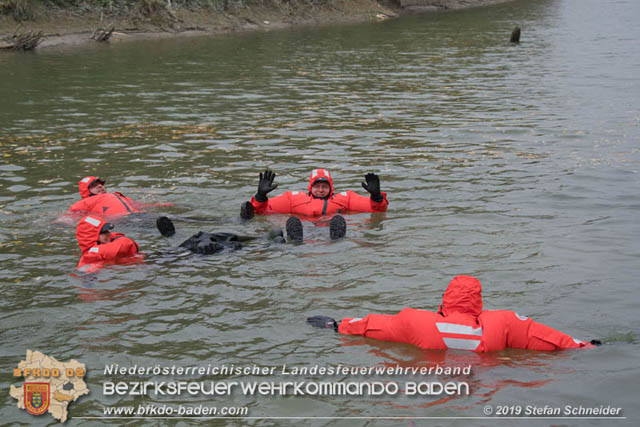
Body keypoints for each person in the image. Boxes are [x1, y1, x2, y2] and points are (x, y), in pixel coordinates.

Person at [308, 275, 600, 352]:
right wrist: (586, 345)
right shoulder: (503, 323)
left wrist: (336, 325)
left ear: (444, 301)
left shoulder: (416, 321)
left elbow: (373, 325)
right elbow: (548, 338)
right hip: (484, 381)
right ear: (479, 303)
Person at [241, 169, 389, 241]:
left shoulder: (345, 199)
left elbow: (376, 209)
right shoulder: (293, 199)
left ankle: (337, 238)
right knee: (293, 223)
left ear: (331, 187)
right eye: (317, 186)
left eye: (324, 186)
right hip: (305, 228)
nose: (320, 190)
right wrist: (261, 195)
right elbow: (264, 211)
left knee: (338, 222)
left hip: (329, 228)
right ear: (310, 187)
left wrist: (375, 196)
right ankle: (296, 240)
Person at [68, 176, 172, 218]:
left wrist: (164, 205)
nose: (100, 186)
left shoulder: (117, 195)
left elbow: (138, 205)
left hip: (139, 214)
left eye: (101, 184)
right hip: (123, 220)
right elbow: (70, 215)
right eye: (94, 185)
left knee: (167, 218)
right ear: (86, 191)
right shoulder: (85, 202)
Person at [76, 215, 141, 272]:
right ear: (92, 236)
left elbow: (126, 244)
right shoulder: (92, 257)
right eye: (104, 232)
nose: (109, 234)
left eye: (108, 231)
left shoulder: (97, 253)